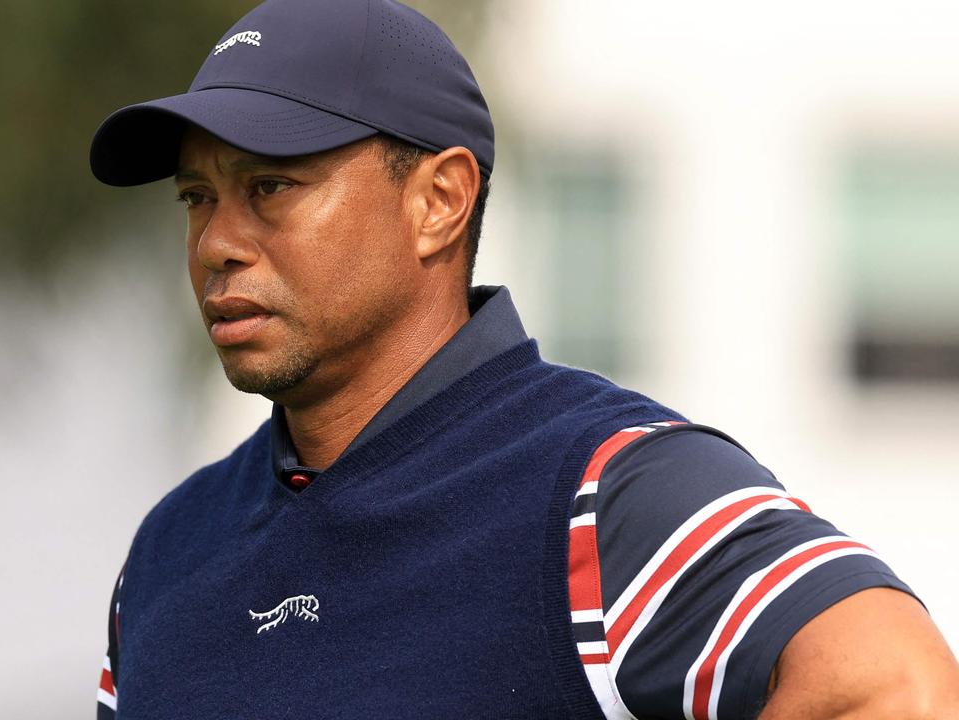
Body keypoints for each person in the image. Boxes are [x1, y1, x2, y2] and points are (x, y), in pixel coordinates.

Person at [87, 0, 959, 717]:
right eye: (198, 199)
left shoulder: (604, 489)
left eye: (269, 186)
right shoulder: (170, 551)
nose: (216, 244)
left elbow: (894, 690)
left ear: (439, 201)